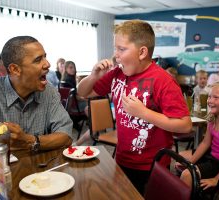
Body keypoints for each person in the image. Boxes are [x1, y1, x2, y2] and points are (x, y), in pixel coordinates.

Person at [77, 20, 192, 194]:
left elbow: (185, 125)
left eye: (121, 49)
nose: (116, 55)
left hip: (152, 165)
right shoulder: (117, 74)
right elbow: (83, 92)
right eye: (115, 48)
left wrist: (144, 113)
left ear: (142, 52)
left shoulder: (163, 80)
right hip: (123, 158)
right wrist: (94, 76)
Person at [0, 36, 73, 155]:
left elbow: (66, 136)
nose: (47, 64)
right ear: (15, 69)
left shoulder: (49, 92)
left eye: (45, 57)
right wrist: (1, 146)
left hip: (42, 172)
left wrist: (30, 141)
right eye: (38, 60)